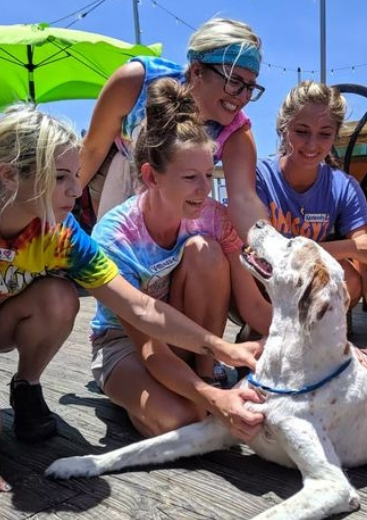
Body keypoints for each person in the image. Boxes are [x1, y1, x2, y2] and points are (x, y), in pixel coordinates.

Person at [0, 105, 263, 511]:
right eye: (61, 178)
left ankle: (25, 386)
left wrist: (223, 349)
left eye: (76, 177)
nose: (75, 190)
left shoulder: (58, 230)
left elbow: (139, 306)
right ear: (11, 175)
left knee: (59, 296)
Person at [89, 78, 271, 439]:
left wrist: (309, 339)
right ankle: (177, 392)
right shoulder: (115, 236)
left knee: (205, 250)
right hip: (125, 342)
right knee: (181, 419)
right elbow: (149, 344)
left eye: (208, 175)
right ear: (150, 176)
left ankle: (204, 374)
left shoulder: (213, 216)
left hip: (192, 338)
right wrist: (213, 400)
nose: (204, 190)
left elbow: (251, 305)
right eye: (190, 177)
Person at [255, 81, 367, 376]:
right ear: (284, 129)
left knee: (350, 274)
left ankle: (308, 344)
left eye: (324, 134)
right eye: (301, 131)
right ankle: (260, 332)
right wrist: (348, 247)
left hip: (308, 298)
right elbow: (261, 254)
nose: (312, 144)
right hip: (262, 290)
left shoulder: (343, 186)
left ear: (335, 137)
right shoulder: (261, 178)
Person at [78, 17, 268, 235]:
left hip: (179, 196)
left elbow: (244, 199)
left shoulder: (237, 129)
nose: (243, 96)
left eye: (250, 87)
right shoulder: (136, 80)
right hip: (119, 175)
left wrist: (274, 250)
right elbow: (93, 149)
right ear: (197, 71)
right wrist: (51, 217)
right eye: (234, 82)